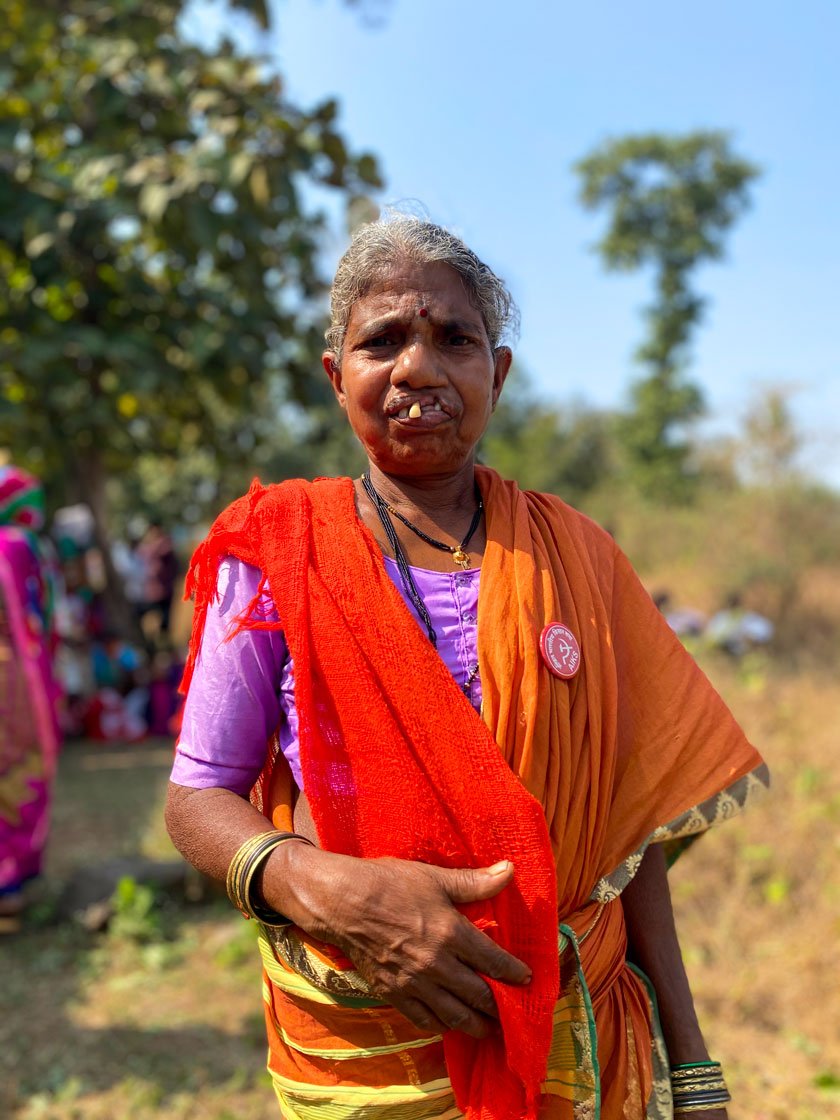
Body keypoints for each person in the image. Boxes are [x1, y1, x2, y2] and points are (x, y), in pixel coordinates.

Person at [165, 216, 769, 1120]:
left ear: (500, 372)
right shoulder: (277, 554)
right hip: (369, 1042)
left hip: (576, 1015)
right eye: (382, 342)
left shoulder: (579, 558)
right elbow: (197, 796)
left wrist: (692, 1063)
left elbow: (628, 835)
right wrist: (321, 888)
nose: (417, 369)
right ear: (338, 380)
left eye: (455, 338)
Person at [0, 466, 62, 932]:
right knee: (22, 763)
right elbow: (38, 615)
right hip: (17, 675)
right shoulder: (19, 546)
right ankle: (13, 877)